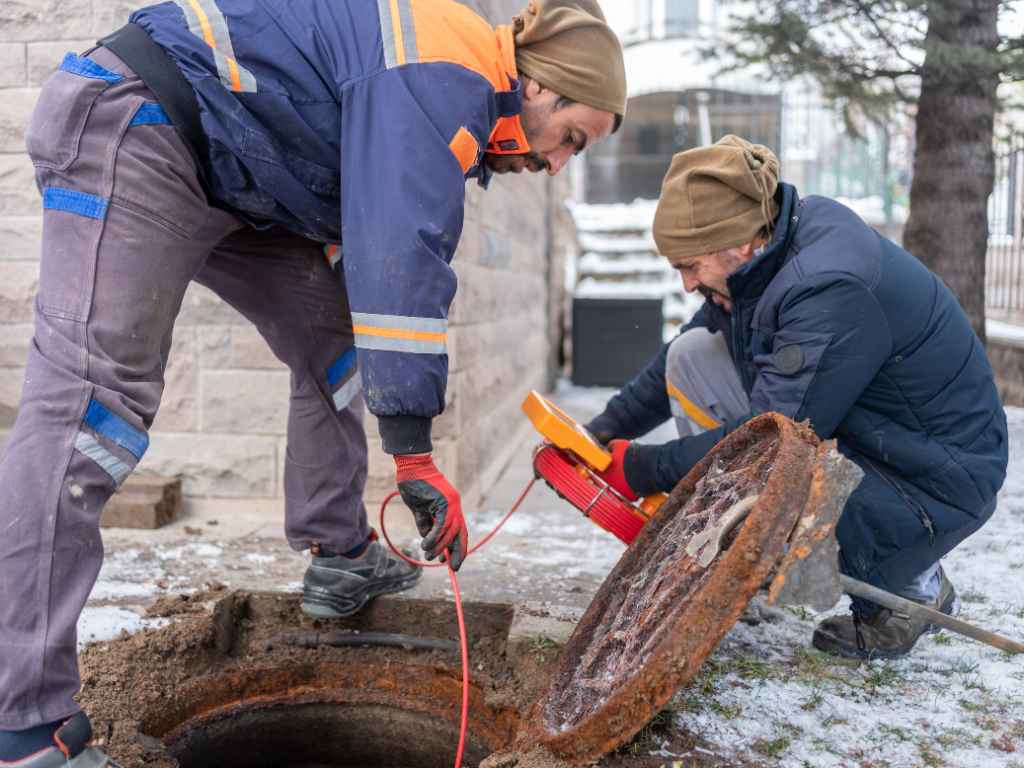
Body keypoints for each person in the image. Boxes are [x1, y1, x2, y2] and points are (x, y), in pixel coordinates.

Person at [0, 0, 626, 764]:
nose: (557, 164)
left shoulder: (455, 89)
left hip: (231, 171)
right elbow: (403, 258)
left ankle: (339, 549)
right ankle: (24, 722)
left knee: (335, 341)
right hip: (139, 121)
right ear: (539, 88)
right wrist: (415, 456)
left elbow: (358, 214)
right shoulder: (446, 74)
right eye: (571, 140)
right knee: (92, 411)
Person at [587, 135, 1008, 662]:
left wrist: (643, 468)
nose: (687, 282)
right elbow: (694, 350)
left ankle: (912, 590)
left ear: (737, 243)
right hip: (870, 434)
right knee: (694, 353)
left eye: (690, 266)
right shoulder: (766, 255)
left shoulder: (826, 286)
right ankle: (736, 532)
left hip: (929, 479)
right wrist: (602, 430)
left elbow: (773, 435)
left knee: (782, 500)